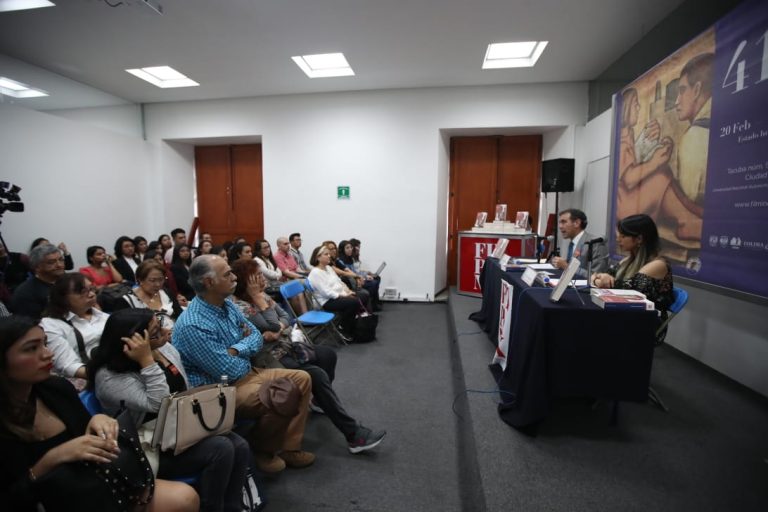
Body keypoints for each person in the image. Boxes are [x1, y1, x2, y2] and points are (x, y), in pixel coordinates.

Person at [0, 315, 199, 512]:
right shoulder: (107, 376)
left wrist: (98, 419)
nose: (48, 354)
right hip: (49, 498)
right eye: (31, 348)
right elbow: (12, 499)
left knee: (186, 496)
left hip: (89, 482)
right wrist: (51, 460)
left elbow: (86, 435)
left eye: (45, 344)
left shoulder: (56, 389)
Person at [91, 309, 250, 512]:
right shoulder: (109, 378)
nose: (165, 332)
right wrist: (147, 361)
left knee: (240, 445)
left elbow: (183, 390)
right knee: (221, 448)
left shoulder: (164, 350)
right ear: (134, 342)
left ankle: (232, 507)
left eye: (160, 325)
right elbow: (159, 403)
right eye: (155, 331)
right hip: (147, 446)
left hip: (175, 428)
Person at [172, 255, 315, 474]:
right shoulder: (193, 324)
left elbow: (256, 336)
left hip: (246, 374)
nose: (234, 277)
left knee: (302, 379)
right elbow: (226, 370)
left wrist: (237, 349)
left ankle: (289, 448)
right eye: (227, 274)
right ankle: (261, 450)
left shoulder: (226, 305)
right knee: (282, 394)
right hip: (218, 391)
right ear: (209, 282)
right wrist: (244, 347)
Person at [230, 260, 386, 453]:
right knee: (316, 374)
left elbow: (286, 318)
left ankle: (320, 400)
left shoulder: (263, 297)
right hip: (267, 358)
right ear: (247, 281)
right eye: (258, 276)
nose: (263, 279)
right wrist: (266, 311)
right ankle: (353, 434)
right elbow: (271, 324)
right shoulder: (242, 306)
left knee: (327, 355)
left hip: (285, 346)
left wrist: (277, 328)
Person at [616, 87, 702, 241]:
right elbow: (629, 179)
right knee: (660, 176)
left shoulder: (628, 134)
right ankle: (685, 221)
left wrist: (657, 147)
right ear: (626, 109)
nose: (638, 108)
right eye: (635, 104)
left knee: (663, 170)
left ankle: (690, 209)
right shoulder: (622, 142)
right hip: (625, 203)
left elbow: (637, 158)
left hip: (629, 197)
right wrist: (655, 161)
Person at [592, 214, 674, 315]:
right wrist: (598, 279)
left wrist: (601, 280)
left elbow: (627, 291)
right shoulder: (627, 261)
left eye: (623, 236)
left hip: (647, 321)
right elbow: (600, 277)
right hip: (627, 314)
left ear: (639, 239)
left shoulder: (658, 264)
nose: (618, 239)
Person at [40, 274, 108, 383]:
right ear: (63, 297)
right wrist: (108, 375)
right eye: (82, 292)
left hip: (110, 368)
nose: (91, 294)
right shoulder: (51, 324)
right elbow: (68, 366)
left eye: (91, 289)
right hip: (84, 378)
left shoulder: (100, 315)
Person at [674, 53, 713, 207]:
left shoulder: (693, 139)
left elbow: (689, 201)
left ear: (697, 90)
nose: (677, 101)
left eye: (682, 90)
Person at [308, 245, 363, 337]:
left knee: (361, 296)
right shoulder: (315, 273)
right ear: (318, 257)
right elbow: (327, 293)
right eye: (326, 254)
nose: (329, 256)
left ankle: (352, 326)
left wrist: (348, 291)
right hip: (325, 301)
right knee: (353, 302)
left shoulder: (328, 268)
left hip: (337, 296)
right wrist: (345, 296)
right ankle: (343, 328)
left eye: (329, 254)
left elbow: (339, 282)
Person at [114, 260, 182, 330]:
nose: (158, 284)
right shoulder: (127, 301)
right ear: (140, 280)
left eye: (161, 279)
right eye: (152, 280)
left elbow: (180, 315)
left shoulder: (166, 292)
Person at [11, 244, 65, 319]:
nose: (59, 265)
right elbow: (30, 325)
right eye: (51, 262)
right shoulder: (26, 293)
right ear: (37, 267)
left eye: (61, 260)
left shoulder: (67, 282)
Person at [550, 209, 609, 279]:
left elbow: (597, 276)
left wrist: (567, 266)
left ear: (577, 223)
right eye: (559, 223)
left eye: (563, 222)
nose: (560, 226)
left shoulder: (595, 243)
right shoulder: (572, 243)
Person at [338, 240, 381, 311]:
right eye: (347, 248)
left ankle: (373, 303)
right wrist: (363, 277)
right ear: (342, 249)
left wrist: (365, 275)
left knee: (376, 279)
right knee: (373, 283)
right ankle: (371, 305)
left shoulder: (350, 258)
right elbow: (350, 273)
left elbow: (355, 272)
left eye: (351, 247)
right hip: (351, 281)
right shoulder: (340, 261)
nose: (350, 249)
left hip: (356, 278)